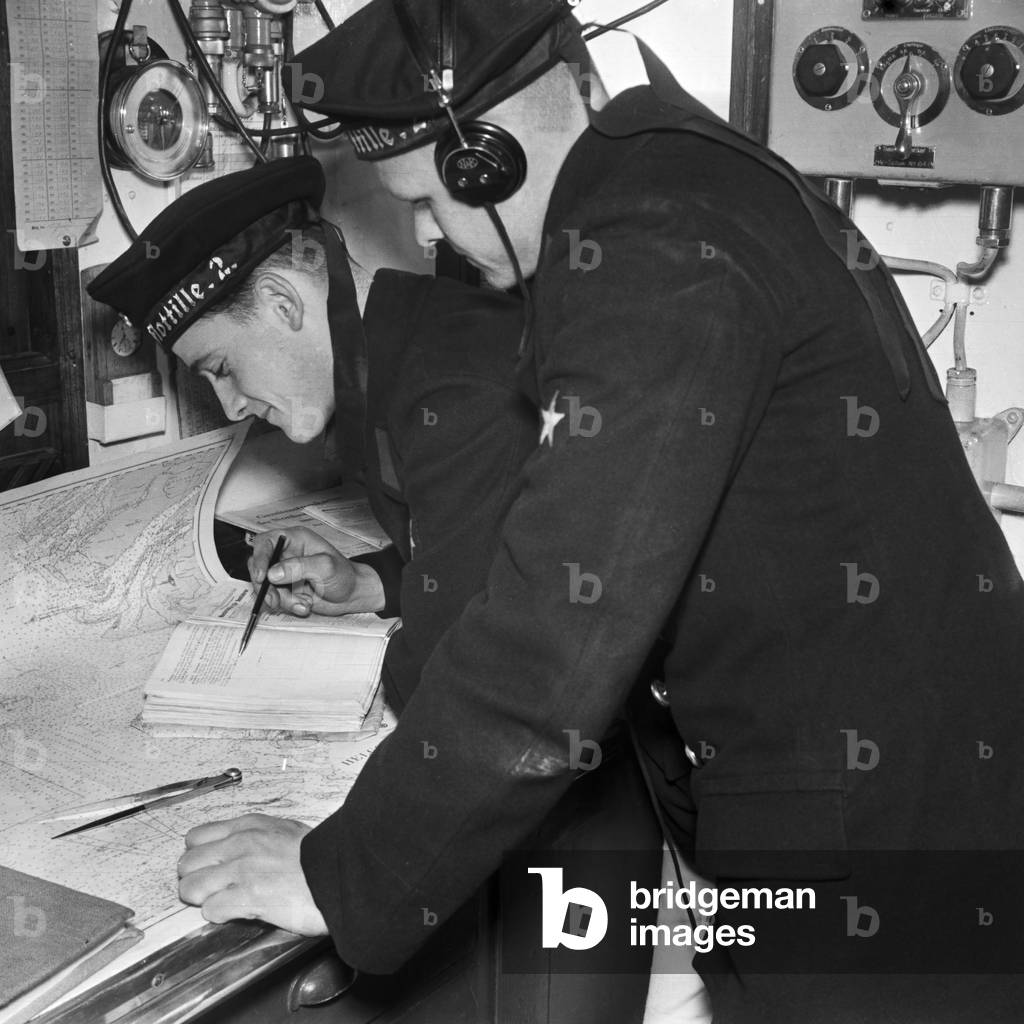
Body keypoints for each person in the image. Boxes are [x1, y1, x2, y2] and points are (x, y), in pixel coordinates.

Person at [167, 3, 1024, 1021]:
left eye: (428, 204)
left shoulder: (648, 244)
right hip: (890, 811)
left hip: (879, 848)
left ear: (481, 158)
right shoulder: (682, 179)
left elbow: (559, 629)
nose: (436, 238)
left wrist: (339, 873)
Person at [88, 155, 663, 1022]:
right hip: (534, 790)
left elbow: (476, 677)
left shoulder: (457, 381)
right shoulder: (393, 357)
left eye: (219, 367)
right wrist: (373, 583)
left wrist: (330, 870)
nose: (234, 402)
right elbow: (504, 550)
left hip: (570, 814)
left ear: (283, 304)